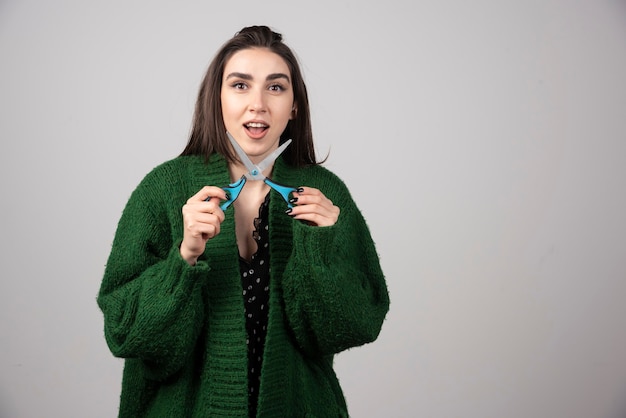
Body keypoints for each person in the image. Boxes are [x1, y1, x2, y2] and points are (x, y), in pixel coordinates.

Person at [97, 25, 389, 418]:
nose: (258, 105)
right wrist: (184, 259)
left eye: (275, 87)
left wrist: (319, 250)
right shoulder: (161, 190)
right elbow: (126, 333)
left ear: (295, 105)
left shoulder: (325, 193)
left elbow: (353, 326)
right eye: (239, 86)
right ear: (216, 99)